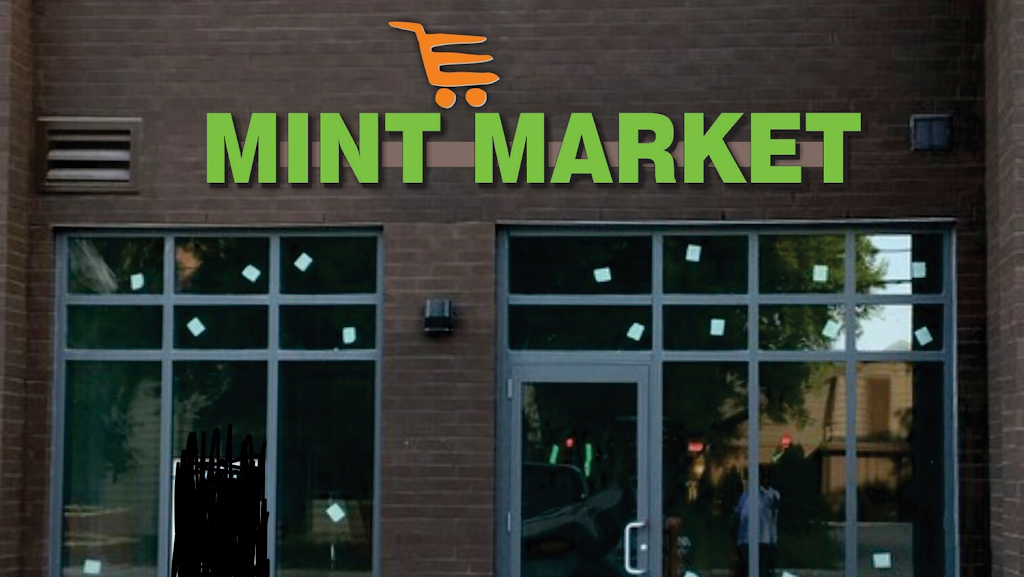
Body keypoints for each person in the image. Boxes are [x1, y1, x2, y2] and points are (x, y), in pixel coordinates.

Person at [734, 466, 781, 577]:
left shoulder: (769, 496)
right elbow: (738, 518)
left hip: (762, 540)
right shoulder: (744, 497)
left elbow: (772, 519)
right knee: (749, 569)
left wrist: (773, 540)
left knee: (761, 569)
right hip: (746, 540)